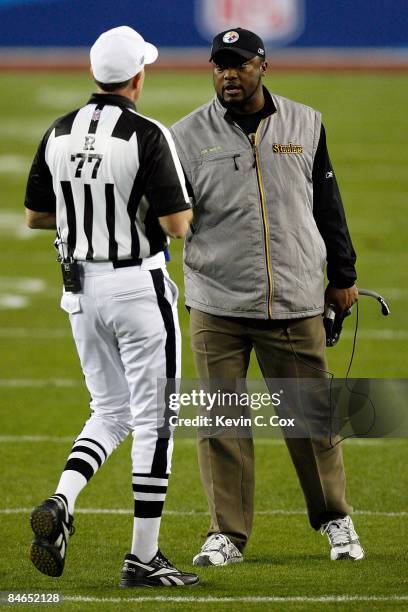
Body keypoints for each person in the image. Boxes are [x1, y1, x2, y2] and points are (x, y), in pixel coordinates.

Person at [170, 27, 364, 566]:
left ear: (263, 65)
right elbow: (167, 217)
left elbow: (328, 202)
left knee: (311, 419)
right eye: (220, 66)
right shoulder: (184, 135)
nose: (229, 75)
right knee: (222, 423)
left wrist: (343, 275)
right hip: (217, 300)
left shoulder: (305, 122)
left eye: (240, 64)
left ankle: (336, 520)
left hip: (295, 296)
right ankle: (226, 535)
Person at [24, 25, 199, 587]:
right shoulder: (148, 134)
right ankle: (142, 557)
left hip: (79, 291)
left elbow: (35, 214)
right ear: (138, 77)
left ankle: (62, 499)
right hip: (136, 287)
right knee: (154, 421)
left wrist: (86, 213)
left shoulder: (57, 131)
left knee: (109, 411)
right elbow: (176, 223)